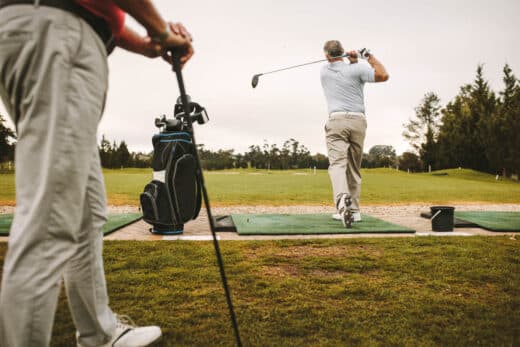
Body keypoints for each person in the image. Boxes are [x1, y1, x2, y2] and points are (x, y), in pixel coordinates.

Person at [0, 0, 193, 346]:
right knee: (50, 220)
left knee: (86, 212)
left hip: (49, 28)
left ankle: (100, 333)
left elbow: (106, 13)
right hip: (59, 31)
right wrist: (161, 32)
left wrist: (149, 45)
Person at [320, 40, 389, 226]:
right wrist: (366, 57)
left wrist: (351, 62)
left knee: (337, 164)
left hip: (336, 121)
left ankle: (342, 201)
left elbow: (338, 68)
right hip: (358, 122)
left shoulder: (324, 72)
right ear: (342, 51)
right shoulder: (357, 70)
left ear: (327, 55)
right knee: (353, 167)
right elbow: (383, 75)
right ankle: (355, 210)